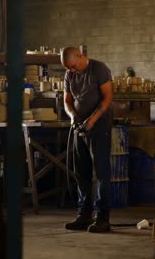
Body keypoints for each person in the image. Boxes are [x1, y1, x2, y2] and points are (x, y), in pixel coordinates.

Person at [61, 46, 113, 233]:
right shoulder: (70, 74)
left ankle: (102, 218)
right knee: (81, 172)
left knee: (100, 173)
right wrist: (73, 116)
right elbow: (67, 101)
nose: (72, 71)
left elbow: (107, 99)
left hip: (99, 127)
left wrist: (91, 121)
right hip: (79, 127)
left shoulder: (99, 69)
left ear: (80, 56)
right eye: (69, 69)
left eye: (74, 67)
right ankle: (84, 215)